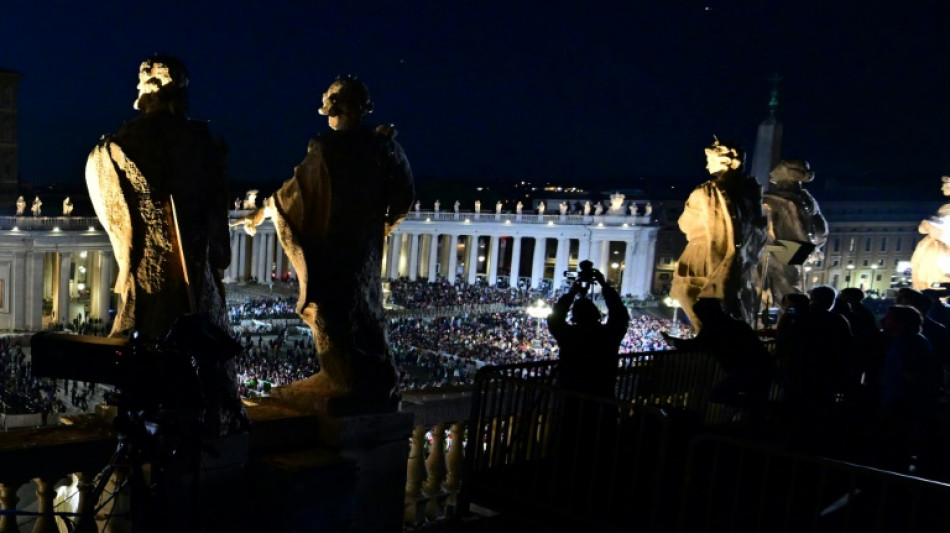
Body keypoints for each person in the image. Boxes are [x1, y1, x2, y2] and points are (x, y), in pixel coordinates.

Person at [234, 76, 414, 413]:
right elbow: (405, 197)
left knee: (330, 305)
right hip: (366, 247)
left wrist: (260, 214)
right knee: (366, 306)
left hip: (334, 244)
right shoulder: (385, 145)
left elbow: (292, 192)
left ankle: (342, 378)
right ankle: (375, 376)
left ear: (334, 107)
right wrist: (382, 226)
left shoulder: (327, 147)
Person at [86, 55, 231, 340]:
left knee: (149, 343)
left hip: (144, 275)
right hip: (194, 279)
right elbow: (218, 230)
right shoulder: (201, 142)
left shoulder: (118, 145)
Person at [671, 138, 768, 329]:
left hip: (704, 255)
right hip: (741, 258)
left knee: (686, 292)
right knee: (725, 301)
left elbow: (685, 224)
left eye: (710, 159)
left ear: (725, 162)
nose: (707, 164)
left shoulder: (705, 192)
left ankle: (706, 337)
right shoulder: (750, 192)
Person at [548, 261, 629, 398]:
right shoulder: (608, 335)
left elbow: (555, 317)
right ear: (596, 314)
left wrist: (572, 292)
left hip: (570, 389)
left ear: (574, 316)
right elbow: (619, 313)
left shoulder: (569, 335)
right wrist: (604, 285)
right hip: (602, 390)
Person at [762, 159, 828, 304]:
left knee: (783, 286)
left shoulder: (771, 200)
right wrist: (814, 246)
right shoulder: (808, 200)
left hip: (778, 250)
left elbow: (761, 227)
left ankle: (786, 316)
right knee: (791, 284)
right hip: (801, 249)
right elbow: (820, 228)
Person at [911, 176, 950, 289]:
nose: (942, 187)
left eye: (946, 184)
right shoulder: (945, 208)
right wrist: (927, 227)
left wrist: (936, 232)